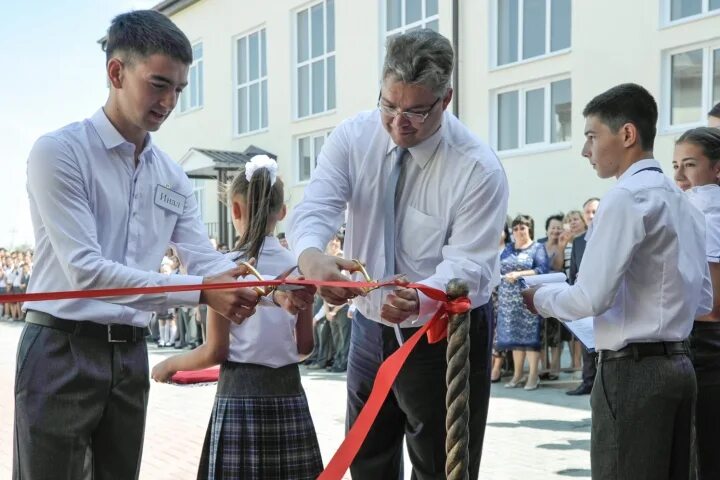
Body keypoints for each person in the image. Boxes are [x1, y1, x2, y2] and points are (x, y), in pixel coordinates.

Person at [13, 11, 296, 480]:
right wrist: (204, 291)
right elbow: (87, 272)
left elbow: (206, 262)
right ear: (116, 72)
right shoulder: (59, 153)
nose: (169, 102)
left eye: (180, 90)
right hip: (61, 347)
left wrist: (278, 287)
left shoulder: (171, 175)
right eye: (159, 84)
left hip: (129, 354)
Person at [288, 28, 509, 479]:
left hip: (442, 335)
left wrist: (422, 297)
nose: (397, 122)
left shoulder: (477, 167)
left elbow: (468, 263)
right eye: (388, 105)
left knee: (440, 464)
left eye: (415, 112)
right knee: (367, 453)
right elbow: (316, 206)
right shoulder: (353, 137)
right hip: (370, 325)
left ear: (446, 100)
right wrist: (312, 258)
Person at [523, 83, 711, 480]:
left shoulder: (626, 197)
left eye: (592, 136)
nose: (585, 150)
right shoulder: (683, 203)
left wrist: (539, 297)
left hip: (633, 372)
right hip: (680, 364)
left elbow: (589, 297)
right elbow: (704, 300)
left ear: (627, 134)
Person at [152, 156, 322, 479]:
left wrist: (170, 364)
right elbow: (306, 346)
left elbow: (215, 351)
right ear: (282, 212)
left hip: (239, 400)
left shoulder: (224, 270)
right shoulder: (300, 269)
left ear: (235, 210)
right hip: (288, 396)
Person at [673, 127, 720, 479]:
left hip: (708, 348)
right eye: (675, 164)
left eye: (689, 164)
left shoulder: (709, 213)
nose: (679, 176)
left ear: (717, 169)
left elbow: (712, 304)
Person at [495, 215, 549, 390]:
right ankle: (518, 375)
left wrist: (519, 274)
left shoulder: (537, 248)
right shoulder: (508, 248)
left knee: (530, 340)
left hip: (528, 299)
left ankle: (533, 376)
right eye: (516, 228)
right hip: (508, 303)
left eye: (522, 228)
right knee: (515, 340)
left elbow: (542, 270)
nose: (519, 231)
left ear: (530, 229)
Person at [565, 197, 601, 396]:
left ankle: (602, 383)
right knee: (586, 343)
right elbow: (573, 272)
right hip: (583, 300)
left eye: (595, 211)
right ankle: (588, 381)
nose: (591, 216)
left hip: (606, 300)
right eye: (587, 212)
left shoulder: (608, 236)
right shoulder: (579, 241)